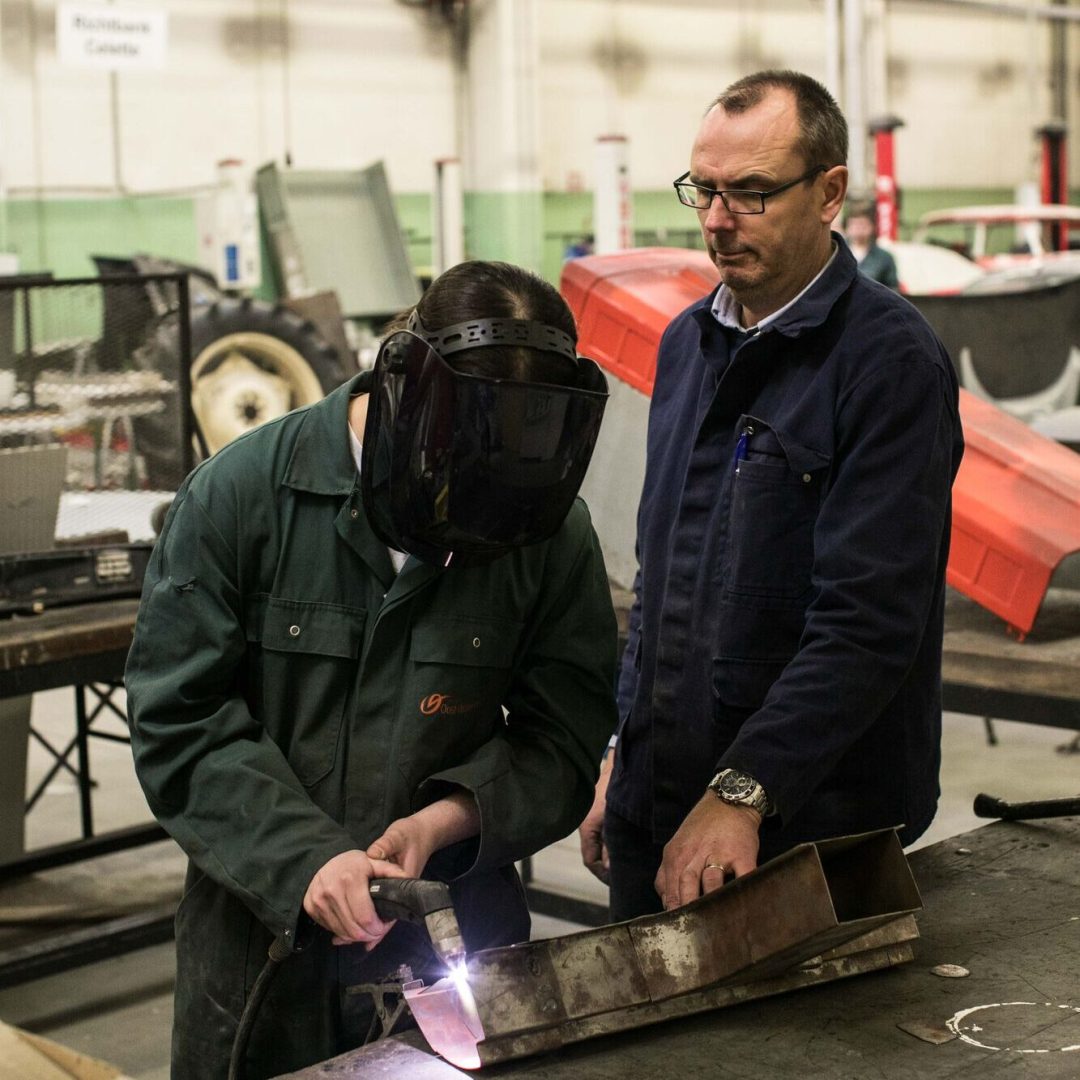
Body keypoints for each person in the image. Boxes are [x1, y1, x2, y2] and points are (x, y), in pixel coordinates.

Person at [127, 260, 619, 1079]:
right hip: (263, 957)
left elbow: (564, 740)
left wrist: (447, 820)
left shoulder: (545, 529)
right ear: (403, 390)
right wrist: (305, 859)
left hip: (456, 953)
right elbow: (180, 719)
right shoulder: (241, 496)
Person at [579, 70, 963, 920]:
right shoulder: (686, 347)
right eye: (704, 190)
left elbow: (867, 623)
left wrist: (745, 792)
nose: (718, 220)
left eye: (751, 193)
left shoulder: (888, 364)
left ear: (829, 193)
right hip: (663, 816)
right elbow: (662, 579)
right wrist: (624, 753)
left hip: (805, 837)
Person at [844, 201, 900, 289]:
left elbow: (893, 289)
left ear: (872, 227)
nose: (858, 228)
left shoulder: (884, 258)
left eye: (862, 224)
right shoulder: (836, 252)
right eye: (854, 224)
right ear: (847, 227)